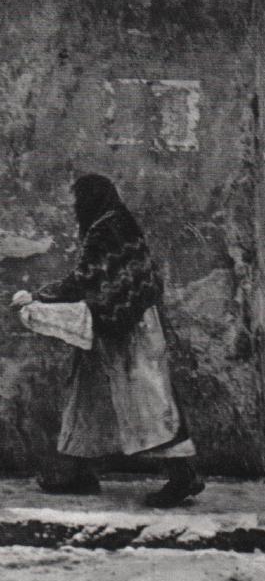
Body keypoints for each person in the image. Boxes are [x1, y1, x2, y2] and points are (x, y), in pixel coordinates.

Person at [13, 174, 204, 506]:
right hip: (122, 321)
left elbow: (86, 279)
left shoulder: (105, 229)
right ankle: (78, 471)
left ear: (90, 200)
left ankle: (182, 475)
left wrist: (40, 297)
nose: (75, 209)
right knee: (89, 395)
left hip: (130, 328)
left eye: (78, 202)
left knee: (149, 401)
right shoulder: (118, 222)